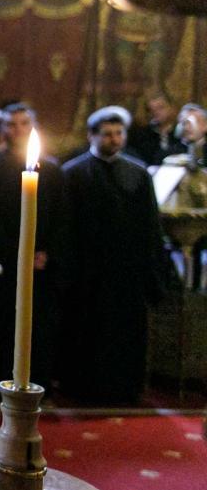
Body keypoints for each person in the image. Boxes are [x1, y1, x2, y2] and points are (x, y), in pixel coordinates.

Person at [60, 107, 164, 403]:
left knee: (124, 334)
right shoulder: (74, 173)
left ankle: (125, 389)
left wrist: (151, 269)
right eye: (107, 134)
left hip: (126, 272)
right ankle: (83, 388)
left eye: (119, 134)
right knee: (87, 332)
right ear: (92, 136)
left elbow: (150, 225)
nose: (114, 140)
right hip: (88, 272)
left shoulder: (138, 172)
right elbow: (67, 225)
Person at [0, 103, 67, 397]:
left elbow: (62, 218)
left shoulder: (53, 171)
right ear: (2, 130)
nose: (17, 129)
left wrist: (46, 254)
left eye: (24, 123)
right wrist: (15, 254)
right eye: (11, 124)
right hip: (3, 267)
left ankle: (37, 386)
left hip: (41, 267)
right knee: (1, 329)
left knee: (38, 329)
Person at [127, 92, 183, 165]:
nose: (155, 112)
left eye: (160, 108)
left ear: (172, 108)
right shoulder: (140, 135)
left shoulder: (183, 133)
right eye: (150, 110)